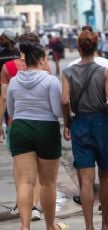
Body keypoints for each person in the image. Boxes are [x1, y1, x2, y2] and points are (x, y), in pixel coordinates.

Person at [6, 40, 67, 230]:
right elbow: (57, 111)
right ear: (41, 59)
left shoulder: (15, 81)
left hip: (21, 128)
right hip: (46, 129)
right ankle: (50, 226)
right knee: (48, 182)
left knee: (25, 181)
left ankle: (24, 227)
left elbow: (11, 110)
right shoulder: (50, 80)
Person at [61, 30, 108, 230]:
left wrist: (68, 122)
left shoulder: (68, 73)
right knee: (105, 176)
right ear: (96, 48)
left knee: (86, 181)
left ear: (78, 48)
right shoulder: (105, 72)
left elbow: (63, 100)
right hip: (102, 124)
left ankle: (89, 227)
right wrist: (106, 104)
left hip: (80, 124)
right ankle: (105, 224)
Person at [0, 33, 52, 220]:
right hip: (43, 122)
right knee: (39, 167)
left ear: (19, 48)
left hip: (17, 123)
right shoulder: (44, 66)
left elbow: (5, 99)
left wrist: (2, 121)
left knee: (19, 168)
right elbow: (51, 94)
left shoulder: (8, 68)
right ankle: (36, 206)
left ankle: (21, 207)